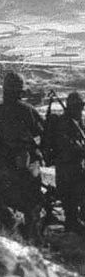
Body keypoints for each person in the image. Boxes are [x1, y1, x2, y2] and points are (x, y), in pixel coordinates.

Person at [0, 72, 45, 241]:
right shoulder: (28, 111)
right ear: (20, 91)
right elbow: (42, 133)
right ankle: (33, 237)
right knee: (33, 203)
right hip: (23, 167)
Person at [49, 92, 85, 233]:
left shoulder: (77, 122)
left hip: (77, 165)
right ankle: (72, 223)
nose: (81, 110)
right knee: (71, 197)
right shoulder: (63, 123)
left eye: (81, 107)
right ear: (71, 107)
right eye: (78, 107)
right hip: (67, 167)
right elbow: (65, 144)